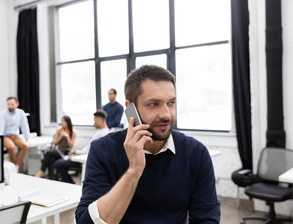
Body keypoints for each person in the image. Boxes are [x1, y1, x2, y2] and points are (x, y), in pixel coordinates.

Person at [76, 65, 220, 223]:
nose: (166, 114)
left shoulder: (196, 153)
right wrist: (133, 171)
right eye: (154, 104)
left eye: (171, 103)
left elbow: (206, 219)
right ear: (130, 109)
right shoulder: (102, 150)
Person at [53, 110, 110, 184]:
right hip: (84, 155)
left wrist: (75, 152)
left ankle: (70, 183)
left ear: (99, 120)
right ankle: (68, 181)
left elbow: (88, 150)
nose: (93, 123)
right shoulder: (101, 132)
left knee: (57, 164)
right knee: (59, 160)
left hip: (85, 159)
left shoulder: (102, 134)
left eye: (94, 120)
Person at [0, 97, 30, 171]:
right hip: (5, 136)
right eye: (8, 104)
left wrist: (27, 136)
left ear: (17, 104)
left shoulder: (21, 113)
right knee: (11, 147)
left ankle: (17, 165)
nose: (10, 106)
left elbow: (24, 125)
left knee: (25, 146)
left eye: (12, 104)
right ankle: (13, 166)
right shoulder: (3, 114)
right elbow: (0, 129)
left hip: (15, 136)